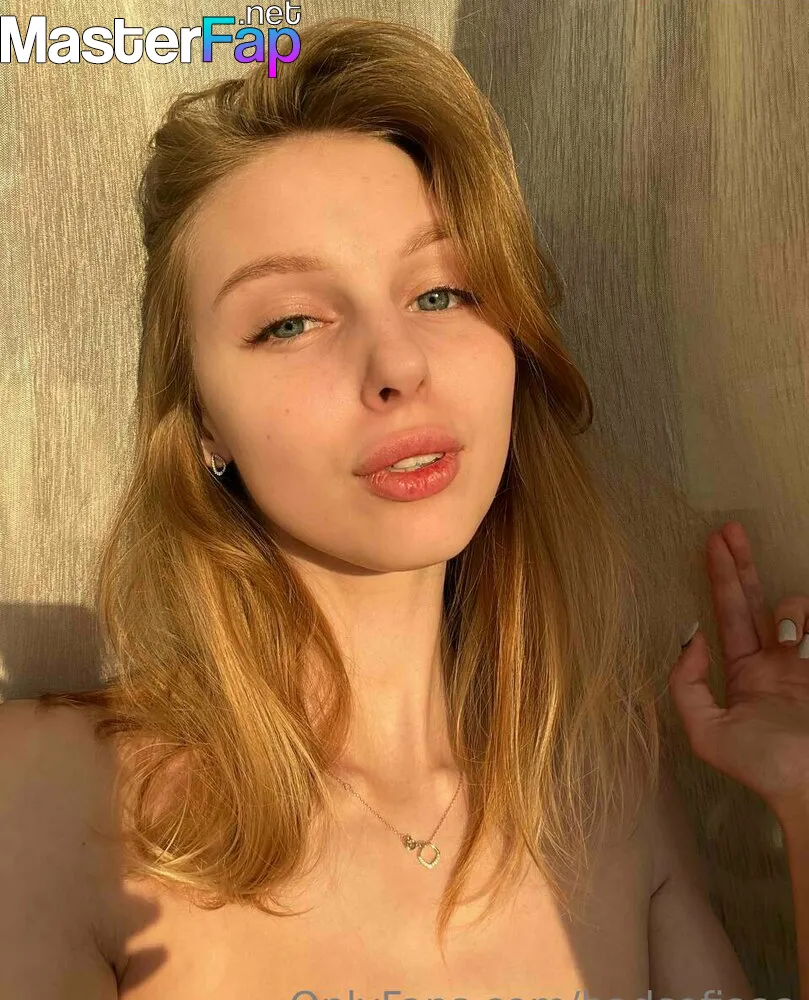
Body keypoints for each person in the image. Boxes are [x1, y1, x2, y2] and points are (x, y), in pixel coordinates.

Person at [1, 15, 807, 999]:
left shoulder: (606, 784)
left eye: (441, 294)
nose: (396, 365)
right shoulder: (55, 798)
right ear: (202, 419)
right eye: (290, 322)